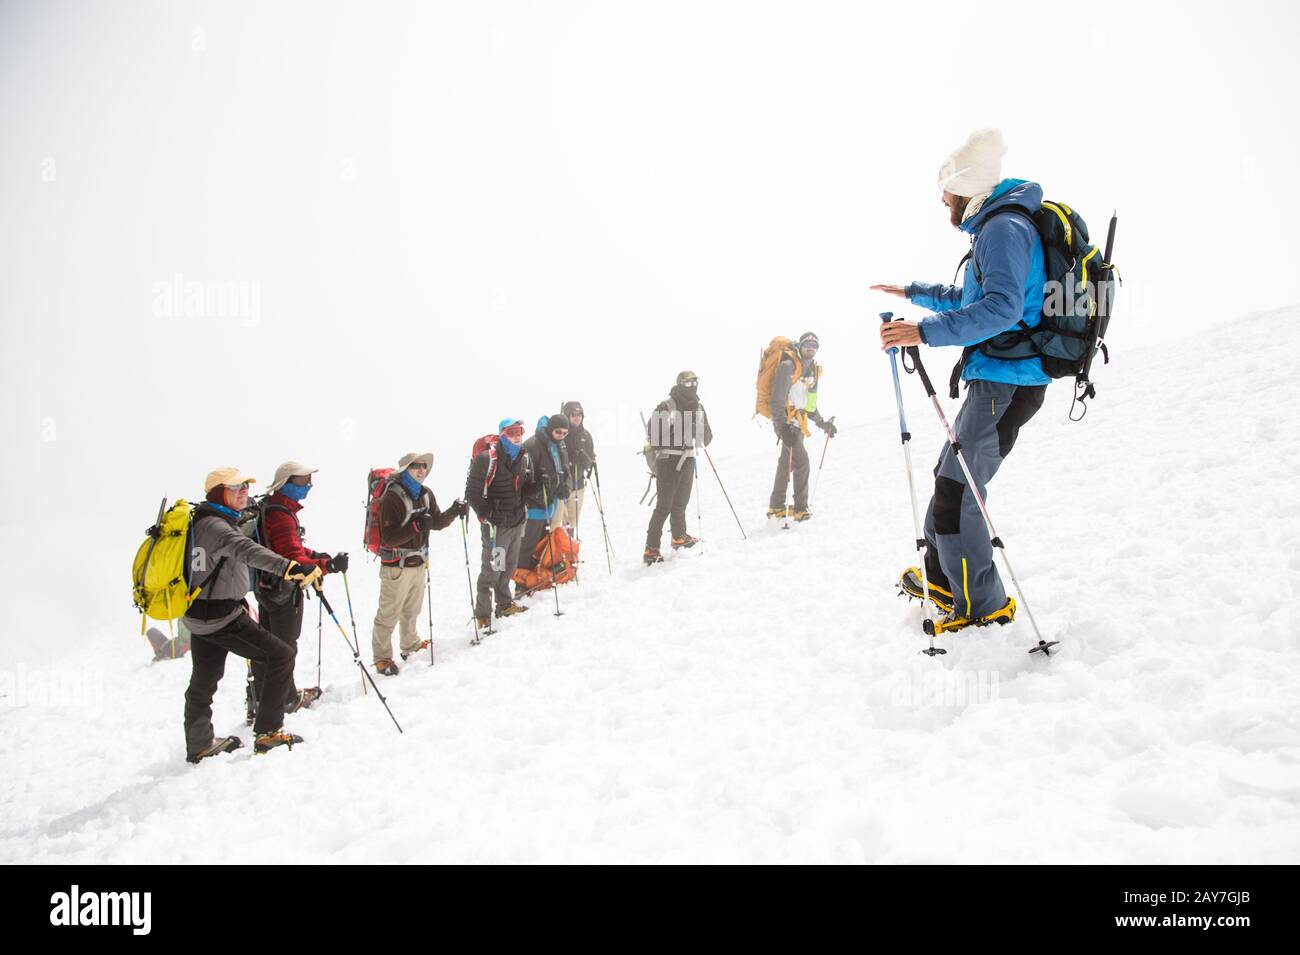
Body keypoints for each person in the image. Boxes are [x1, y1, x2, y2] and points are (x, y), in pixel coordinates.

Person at [873, 128, 1046, 634]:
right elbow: (972, 299)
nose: (941, 198)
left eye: (946, 188)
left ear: (968, 188)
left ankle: (982, 603)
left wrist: (923, 333)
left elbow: (1001, 307)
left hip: (1008, 381)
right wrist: (914, 293)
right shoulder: (995, 228)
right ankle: (947, 579)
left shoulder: (1003, 229)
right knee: (951, 478)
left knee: (960, 489)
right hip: (998, 377)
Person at [183, 467, 321, 762]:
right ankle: (269, 732)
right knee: (280, 655)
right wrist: (289, 568)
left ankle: (200, 743)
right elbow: (247, 550)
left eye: (245, 487)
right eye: (235, 488)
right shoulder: (218, 527)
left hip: (199, 615)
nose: (244, 491)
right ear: (218, 493)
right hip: (222, 616)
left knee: (203, 681)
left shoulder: (200, 523)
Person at [246, 461, 345, 723]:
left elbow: (287, 549)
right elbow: (292, 560)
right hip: (283, 591)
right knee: (285, 647)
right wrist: (328, 565)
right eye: (302, 482)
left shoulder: (270, 508)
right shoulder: (280, 513)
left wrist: (315, 556)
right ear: (286, 482)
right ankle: (286, 698)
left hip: (266, 587)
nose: (308, 486)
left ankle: (258, 699)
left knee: (268, 644)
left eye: (309, 481)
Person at [371, 452, 465, 675]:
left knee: (412, 609)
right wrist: (415, 527)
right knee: (388, 613)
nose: (421, 469)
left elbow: (436, 522)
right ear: (405, 469)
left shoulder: (425, 494)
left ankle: (410, 644)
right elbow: (388, 537)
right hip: (396, 565)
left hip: (418, 561)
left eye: (424, 466)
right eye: (415, 466)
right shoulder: (391, 497)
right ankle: (382, 657)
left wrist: (454, 511)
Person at [466, 419, 537, 627]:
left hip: (516, 522)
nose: (517, 435)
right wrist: (488, 514)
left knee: (509, 566)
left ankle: (504, 604)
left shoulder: (524, 458)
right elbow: (472, 493)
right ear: (502, 435)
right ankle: (483, 615)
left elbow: (524, 489)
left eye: (520, 431)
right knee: (492, 570)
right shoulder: (487, 459)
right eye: (512, 432)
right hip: (496, 527)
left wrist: (538, 485)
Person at [643, 371, 713, 564]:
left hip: (689, 459)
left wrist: (698, 431)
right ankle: (651, 548)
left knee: (680, 503)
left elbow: (707, 438)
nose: (692, 387)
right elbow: (655, 438)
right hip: (668, 461)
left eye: (694, 383)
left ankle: (678, 536)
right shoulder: (666, 407)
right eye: (687, 383)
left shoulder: (699, 408)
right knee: (664, 506)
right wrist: (682, 431)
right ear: (680, 384)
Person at [767, 331, 837, 521]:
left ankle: (776, 506)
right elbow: (776, 400)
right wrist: (781, 428)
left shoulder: (813, 370)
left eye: (814, 346)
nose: (811, 349)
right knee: (802, 462)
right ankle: (800, 508)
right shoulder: (787, 366)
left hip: (799, 423)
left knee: (785, 463)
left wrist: (823, 423)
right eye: (807, 344)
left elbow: (809, 405)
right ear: (800, 345)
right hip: (786, 423)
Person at [517, 414, 572, 590]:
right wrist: (538, 493)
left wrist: (565, 487)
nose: (561, 436)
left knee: (543, 544)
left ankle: (536, 579)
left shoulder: (560, 445)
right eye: (558, 432)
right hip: (534, 506)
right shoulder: (532, 445)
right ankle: (520, 584)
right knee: (528, 546)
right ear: (550, 429)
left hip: (551, 504)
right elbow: (523, 479)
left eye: (565, 433)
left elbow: (565, 471)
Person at [556, 400, 595, 535]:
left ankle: (570, 551)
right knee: (558, 523)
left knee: (572, 523)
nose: (577, 417)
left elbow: (592, 458)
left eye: (579, 414)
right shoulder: (560, 434)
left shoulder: (586, 435)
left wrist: (586, 460)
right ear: (567, 415)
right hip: (560, 487)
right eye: (573, 414)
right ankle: (559, 552)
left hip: (578, 486)